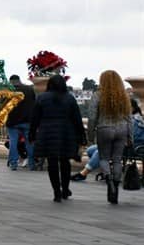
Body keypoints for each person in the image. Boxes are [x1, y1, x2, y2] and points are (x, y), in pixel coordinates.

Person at [29, 75, 86, 202]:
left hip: (47, 132)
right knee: (65, 162)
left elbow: (35, 119)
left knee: (52, 162)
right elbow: (77, 119)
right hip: (66, 132)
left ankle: (56, 192)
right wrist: (81, 136)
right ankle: (65, 189)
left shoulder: (42, 98)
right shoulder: (70, 99)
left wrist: (32, 134)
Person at [86, 70, 132, 204]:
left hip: (104, 129)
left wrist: (90, 135)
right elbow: (129, 119)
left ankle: (108, 180)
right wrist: (130, 136)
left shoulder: (98, 95)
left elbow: (92, 117)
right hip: (122, 129)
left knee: (104, 158)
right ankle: (116, 186)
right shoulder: (124, 96)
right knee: (117, 160)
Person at [71, 98, 143, 181]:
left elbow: (131, 138)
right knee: (90, 150)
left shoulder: (135, 120)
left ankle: (83, 173)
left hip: (130, 149)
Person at [6, 75, 36, 170]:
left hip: (12, 121)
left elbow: (3, 106)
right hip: (27, 120)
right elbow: (34, 103)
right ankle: (31, 164)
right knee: (29, 142)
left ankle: (13, 163)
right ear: (19, 80)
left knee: (13, 142)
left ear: (10, 82)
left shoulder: (8, 91)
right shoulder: (29, 89)